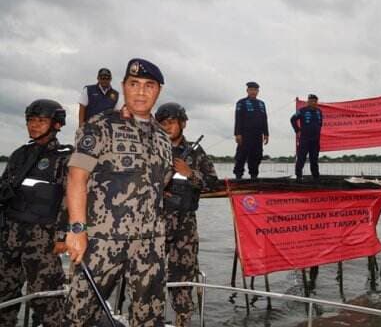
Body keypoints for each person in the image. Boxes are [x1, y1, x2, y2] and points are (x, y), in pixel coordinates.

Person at [64, 58, 173, 326]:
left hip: (151, 243)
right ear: (123, 87)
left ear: (158, 90)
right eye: (134, 84)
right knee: (80, 314)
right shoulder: (101, 125)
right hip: (103, 241)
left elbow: (162, 183)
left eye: (149, 85)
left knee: (149, 316)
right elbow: (77, 177)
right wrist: (77, 228)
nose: (141, 91)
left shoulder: (163, 137)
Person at [0, 99, 71, 327]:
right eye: (31, 120)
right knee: (4, 293)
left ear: (57, 124)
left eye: (41, 121)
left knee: (47, 299)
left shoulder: (64, 158)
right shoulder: (20, 155)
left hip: (42, 241)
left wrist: (61, 235)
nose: (34, 125)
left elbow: (70, 199)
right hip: (9, 236)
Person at [155, 102, 218, 326]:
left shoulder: (195, 153)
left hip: (184, 227)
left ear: (182, 124)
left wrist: (190, 173)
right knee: (149, 279)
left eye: (171, 122)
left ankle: (183, 321)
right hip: (154, 226)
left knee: (182, 280)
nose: (166, 127)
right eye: (162, 123)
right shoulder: (150, 150)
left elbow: (212, 183)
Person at [233, 81, 269, 180]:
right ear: (247, 91)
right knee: (241, 155)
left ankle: (254, 175)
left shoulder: (261, 104)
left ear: (258, 91)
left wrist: (266, 134)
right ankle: (238, 175)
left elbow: (264, 119)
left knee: (257, 155)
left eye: (255, 90)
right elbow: (238, 118)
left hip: (258, 134)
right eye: (251, 90)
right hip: (245, 134)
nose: (253, 92)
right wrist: (237, 134)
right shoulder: (241, 102)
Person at [291, 94, 323, 182]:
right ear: (308, 102)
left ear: (317, 102)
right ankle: (298, 176)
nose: (313, 103)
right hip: (304, 139)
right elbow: (292, 119)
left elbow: (320, 124)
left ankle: (316, 177)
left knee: (314, 159)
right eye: (311, 101)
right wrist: (297, 130)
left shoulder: (319, 111)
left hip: (315, 140)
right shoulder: (302, 111)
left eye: (315, 101)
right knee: (301, 158)